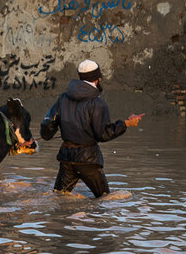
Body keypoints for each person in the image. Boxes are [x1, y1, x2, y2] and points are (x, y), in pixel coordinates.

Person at [40, 59, 144, 198]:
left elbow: (48, 125)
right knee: (105, 199)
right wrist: (126, 124)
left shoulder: (63, 98)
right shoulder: (98, 103)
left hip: (67, 159)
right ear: (97, 79)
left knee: (59, 197)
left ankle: (63, 219)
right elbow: (103, 134)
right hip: (88, 160)